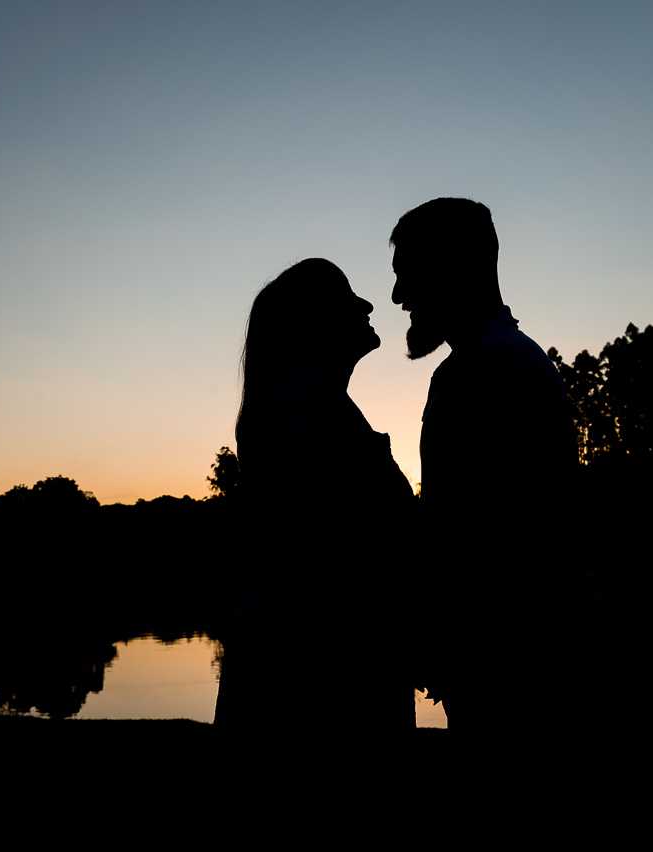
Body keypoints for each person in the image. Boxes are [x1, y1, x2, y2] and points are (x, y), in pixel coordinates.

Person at [389, 197, 585, 762]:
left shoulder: (488, 369)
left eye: (409, 277)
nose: (400, 297)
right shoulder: (498, 359)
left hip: (519, 675)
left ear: (454, 268)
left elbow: (508, 539)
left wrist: (457, 645)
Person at [213, 258, 418, 753]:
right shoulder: (310, 400)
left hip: (310, 667)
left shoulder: (308, 401)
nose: (368, 304)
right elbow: (315, 543)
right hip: (318, 685)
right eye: (348, 295)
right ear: (315, 322)